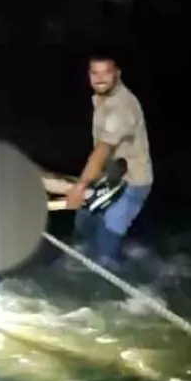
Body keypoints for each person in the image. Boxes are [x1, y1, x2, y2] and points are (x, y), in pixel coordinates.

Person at [61, 53, 153, 267]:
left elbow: (102, 150)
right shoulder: (100, 98)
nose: (100, 78)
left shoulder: (122, 108)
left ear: (117, 74)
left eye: (106, 72)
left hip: (132, 183)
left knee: (105, 251)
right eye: (95, 72)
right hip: (109, 177)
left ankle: (126, 290)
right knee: (83, 229)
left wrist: (81, 186)